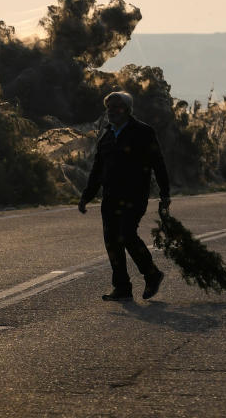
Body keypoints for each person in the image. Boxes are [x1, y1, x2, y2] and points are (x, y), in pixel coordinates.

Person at [78, 91, 171, 301]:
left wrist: (165, 194)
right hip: (110, 197)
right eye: (109, 108)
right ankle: (122, 287)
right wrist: (86, 197)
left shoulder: (143, 132)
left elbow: (158, 162)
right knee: (112, 241)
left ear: (128, 109)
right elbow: (97, 171)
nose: (112, 111)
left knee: (127, 235)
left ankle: (152, 274)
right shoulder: (106, 136)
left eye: (117, 107)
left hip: (134, 196)